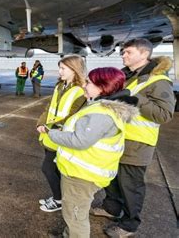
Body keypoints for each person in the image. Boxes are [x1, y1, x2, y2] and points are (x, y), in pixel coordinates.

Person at [91, 39, 175, 237]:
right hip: (117, 139)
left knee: (130, 186)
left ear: (144, 54)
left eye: (128, 52)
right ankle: (111, 208)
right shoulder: (129, 76)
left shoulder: (158, 81)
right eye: (123, 52)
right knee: (111, 178)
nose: (123, 55)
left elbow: (164, 115)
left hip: (137, 143)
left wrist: (137, 99)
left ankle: (129, 224)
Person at [46, 67, 138, 238]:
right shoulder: (101, 108)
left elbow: (79, 141)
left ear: (102, 87)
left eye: (89, 82)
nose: (85, 85)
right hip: (82, 173)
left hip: (82, 176)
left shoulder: (100, 113)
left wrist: (51, 133)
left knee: (75, 217)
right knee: (73, 212)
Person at [36, 54, 87, 212]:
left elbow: (73, 115)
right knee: (55, 169)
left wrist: (49, 127)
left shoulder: (80, 91)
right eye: (60, 68)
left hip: (61, 137)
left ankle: (58, 200)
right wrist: (41, 122)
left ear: (74, 70)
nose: (60, 71)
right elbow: (49, 107)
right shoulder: (60, 86)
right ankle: (59, 196)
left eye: (63, 68)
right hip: (49, 135)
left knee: (48, 168)